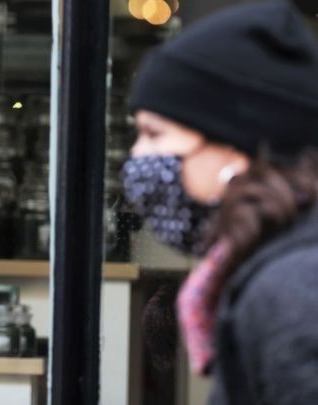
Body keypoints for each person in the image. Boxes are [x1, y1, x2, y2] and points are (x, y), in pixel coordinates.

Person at [122, 1, 318, 403]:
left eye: (155, 134)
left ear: (234, 147)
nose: (138, 156)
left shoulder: (291, 290)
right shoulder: (280, 267)